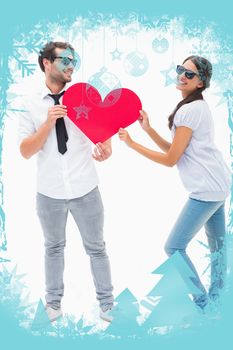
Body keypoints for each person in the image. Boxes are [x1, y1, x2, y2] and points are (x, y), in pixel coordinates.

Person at [118, 55, 231, 309]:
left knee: (174, 247)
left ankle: (204, 302)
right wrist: (148, 130)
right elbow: (177, 151)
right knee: (217, 250)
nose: (182, 75)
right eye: (181, 69)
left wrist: (132, 143)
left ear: (201, 83)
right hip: (217, 185)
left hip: (206, 190)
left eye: (189, 74)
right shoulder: (195, 107)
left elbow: (171, 159)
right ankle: (217, 302)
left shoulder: (190, 110)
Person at [18, 41, 114, 323]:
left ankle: (107, 304)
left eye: (75, 60)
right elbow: (24, 151)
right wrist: (48, 123)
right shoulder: (30, 103)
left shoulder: (84, 96)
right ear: (47, 63)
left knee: (97, 247)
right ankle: (53, 304)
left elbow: (103, 132)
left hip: (86, 187)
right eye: (65, 60)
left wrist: (106, 148)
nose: (71, 65)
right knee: (53, 247)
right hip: (49, 192)